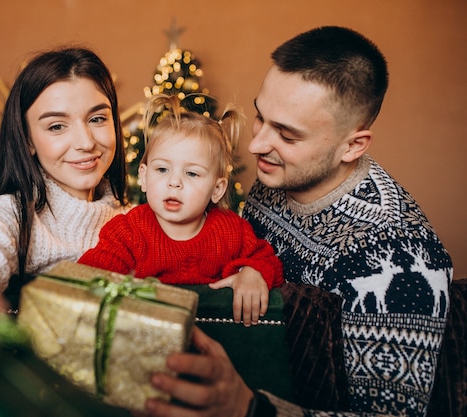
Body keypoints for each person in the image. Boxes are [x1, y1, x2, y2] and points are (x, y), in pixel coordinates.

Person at [141, 26, 453, 417]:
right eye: (260, 117)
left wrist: (247, 409)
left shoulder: (399, 258)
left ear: (353, 145)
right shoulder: (278, 177)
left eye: (287, 135)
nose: (256, 146)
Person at [79, 94, 283, 325]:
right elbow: (88, 277)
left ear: (217, 189)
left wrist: (252, 273)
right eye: (163, 169)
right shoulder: (128, 231)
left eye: (192, 173)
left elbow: (267, 260)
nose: (174, 182)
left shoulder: (231, 231)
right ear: (144, 177)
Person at [0, 47, 130, 292]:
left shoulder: (137, 219)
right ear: (28, 140)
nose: (86, 142)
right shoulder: (16, 213)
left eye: (97, 119)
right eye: (57, 126)